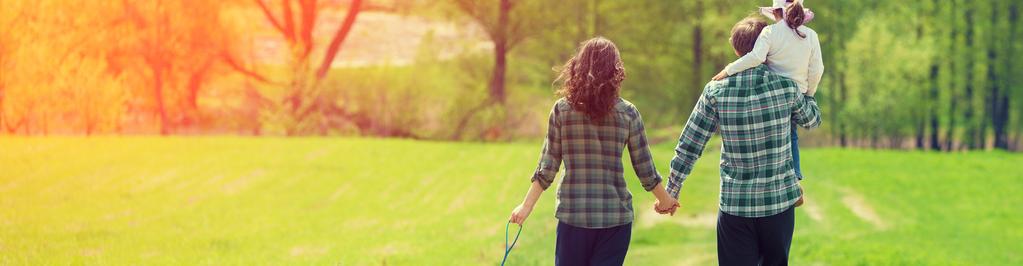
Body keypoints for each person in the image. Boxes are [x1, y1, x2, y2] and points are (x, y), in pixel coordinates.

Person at [659, 15, 822, 266]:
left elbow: (690, 145)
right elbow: (812, 121)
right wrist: (807, 89)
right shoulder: (786, 88)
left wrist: (671, 190)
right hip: (778, 205)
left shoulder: (715, 91)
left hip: (736, 206)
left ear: (735, 49)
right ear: (768, 48)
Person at [507, 37, 678, 265]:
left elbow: (547, 167)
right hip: (615, 219)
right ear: (615, 71)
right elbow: (645, 169)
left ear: (578, 66)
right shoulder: (628, 113)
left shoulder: (562, 111)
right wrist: (666, 201)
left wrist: (525, 207)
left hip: (573, 217)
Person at [712, 0, 822, 202]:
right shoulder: (811, 36)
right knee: (791, 136)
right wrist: (808, 94)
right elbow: (817, 70)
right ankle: (794, 180)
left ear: (775, 11)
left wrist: (728, 70)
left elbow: (755, 57)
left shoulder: (770, 33)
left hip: (772, 93)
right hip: (796, 95)